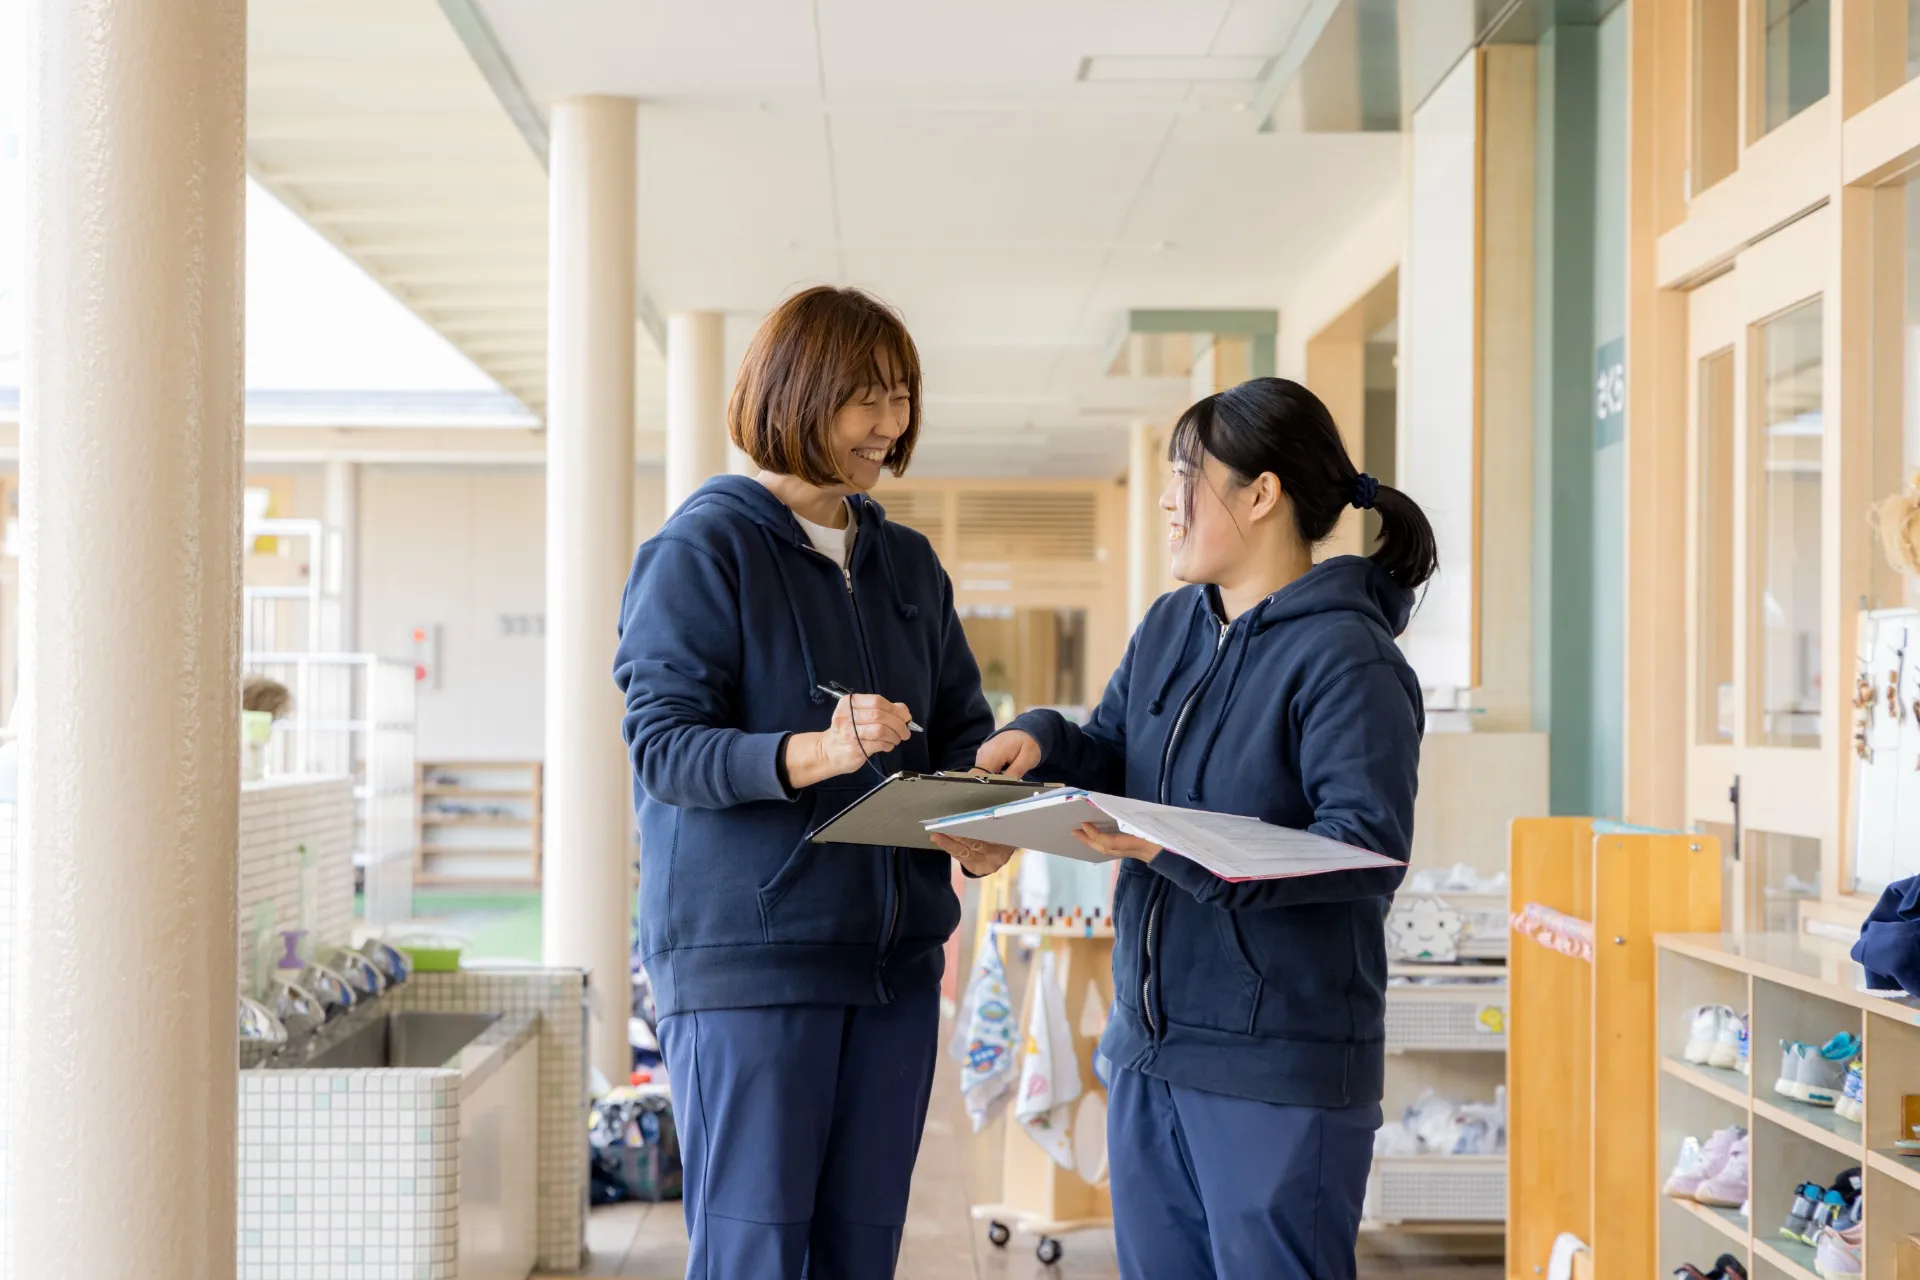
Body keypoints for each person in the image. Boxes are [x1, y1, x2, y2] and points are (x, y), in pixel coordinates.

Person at [974, 376, 1436, 1280]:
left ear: (1263, 495)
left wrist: (1171, 851)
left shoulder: (1349, 657)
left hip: (1278, 1071)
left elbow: (1361, 849)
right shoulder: (1171, 625)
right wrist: (1038, 738)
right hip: (1150, 1054)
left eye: (1188, 473)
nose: (1165, 501)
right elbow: (1111, 748)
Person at [612, 285, 1010, 1280]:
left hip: (893, 969)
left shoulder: (907, 563)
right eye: (865, 399)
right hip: (752, 967)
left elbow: (962, 725)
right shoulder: (703, 549)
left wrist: (981, 813)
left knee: (859, 1254)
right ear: (796, 395)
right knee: (754, 1254)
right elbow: (664, 746)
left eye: (901, 396)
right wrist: (814, 751)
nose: (891, 424)